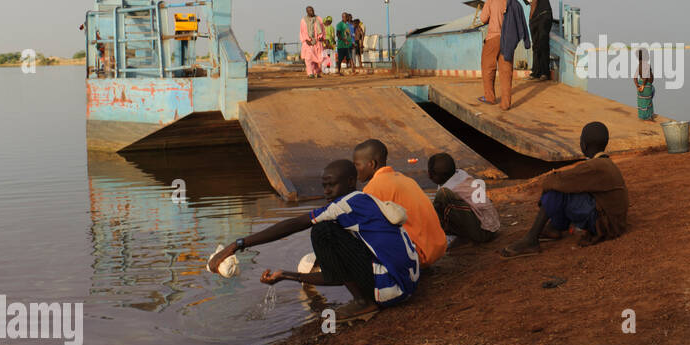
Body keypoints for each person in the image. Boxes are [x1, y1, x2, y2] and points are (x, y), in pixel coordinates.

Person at [206, 159, 418, 323]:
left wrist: (237, 245)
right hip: (407, 285)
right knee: (329, 233)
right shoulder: (366, 200)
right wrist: (286, 276)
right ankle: (363, 299)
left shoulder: (344, 205)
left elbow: (292, 225)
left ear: (350, 182)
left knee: (322, 231)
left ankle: (362, 303)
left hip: (393, 291)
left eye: (331, 185)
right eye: (324, 186)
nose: (326, 191)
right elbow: (341, 275)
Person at [500, 122, 629, 257]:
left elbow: (556, 181)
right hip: (614, 222)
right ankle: (554, 228)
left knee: (556, 192)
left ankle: (531, 239)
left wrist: (550, 186)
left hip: (607, 225)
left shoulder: (595, 167)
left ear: (583, 145)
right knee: (567, 187)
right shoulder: (606, 163)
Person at [352, 139, 447, 267]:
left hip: (418, 255)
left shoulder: (373, 187)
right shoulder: (405, 179)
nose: (354, 170)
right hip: (437, 249)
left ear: (372, 164)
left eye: (357, 165)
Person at [428, 153, 500, 247]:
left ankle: (447, 236)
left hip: (484, 232)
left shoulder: (449, 188)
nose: (429, 176)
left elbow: (437, 210)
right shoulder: (460, 174)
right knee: (444, 204)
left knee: (442, 196)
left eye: (431, 174)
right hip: (491, 227)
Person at [525, 0, 553, 80]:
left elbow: (535, 0)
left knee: (543, 43)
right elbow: (531, 3)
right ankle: (536, 72)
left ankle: (545, 73)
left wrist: (530, 17)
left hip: (544, 15)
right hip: (535, 19)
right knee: (535, 45)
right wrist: (531, 20)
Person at [299, 6, 326, 78]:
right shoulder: (303, 20)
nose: (312, 12)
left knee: (318, 58)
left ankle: (317, 72)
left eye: (312, 10)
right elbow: (302, 31)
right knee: (308, 58)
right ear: (307, 12)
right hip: (308, 42)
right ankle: (310, 73)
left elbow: (322, 29)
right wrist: (306, 40)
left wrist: (322, 37)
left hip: (317, 42)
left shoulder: (319, 19)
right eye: (310, 11)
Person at [634, 49, 655, 121]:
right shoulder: (647, 65)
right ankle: (648, 116)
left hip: (640, 85)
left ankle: (642, 116)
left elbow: (635, 77)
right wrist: (643, 86)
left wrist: (637, 86)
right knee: (648, 100)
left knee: (641, 101)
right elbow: (646, 76)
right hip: (646, 86)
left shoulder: (639, 65)